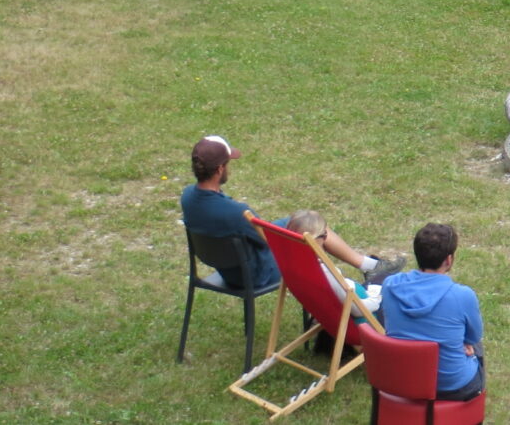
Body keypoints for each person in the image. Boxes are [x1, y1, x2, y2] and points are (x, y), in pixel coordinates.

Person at [179, 136, 404, 290]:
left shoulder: (188, 197)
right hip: (256, 274)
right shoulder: (237, 213)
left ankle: (369, 267)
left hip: (228, 270)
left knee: (295, 221)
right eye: (228, 164)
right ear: (219, 169)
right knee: (312, 227)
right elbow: (270, 241)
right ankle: (365, 273)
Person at [383, 223, 485, 401]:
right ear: (449, 260)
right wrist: (465, 344)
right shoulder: (462, 296)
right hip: (451, 386)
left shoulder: (390, 285)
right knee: (476, 347)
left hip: (400, 378)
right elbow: (474, 337)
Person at [284, 210, 381, 318]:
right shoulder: (323, 273)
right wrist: (376, 296)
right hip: (363, 322)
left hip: (332, 315)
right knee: (386, 280)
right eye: (324, 235)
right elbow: (358, 311)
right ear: (318, 239)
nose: (326, 239)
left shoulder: (290, 264)